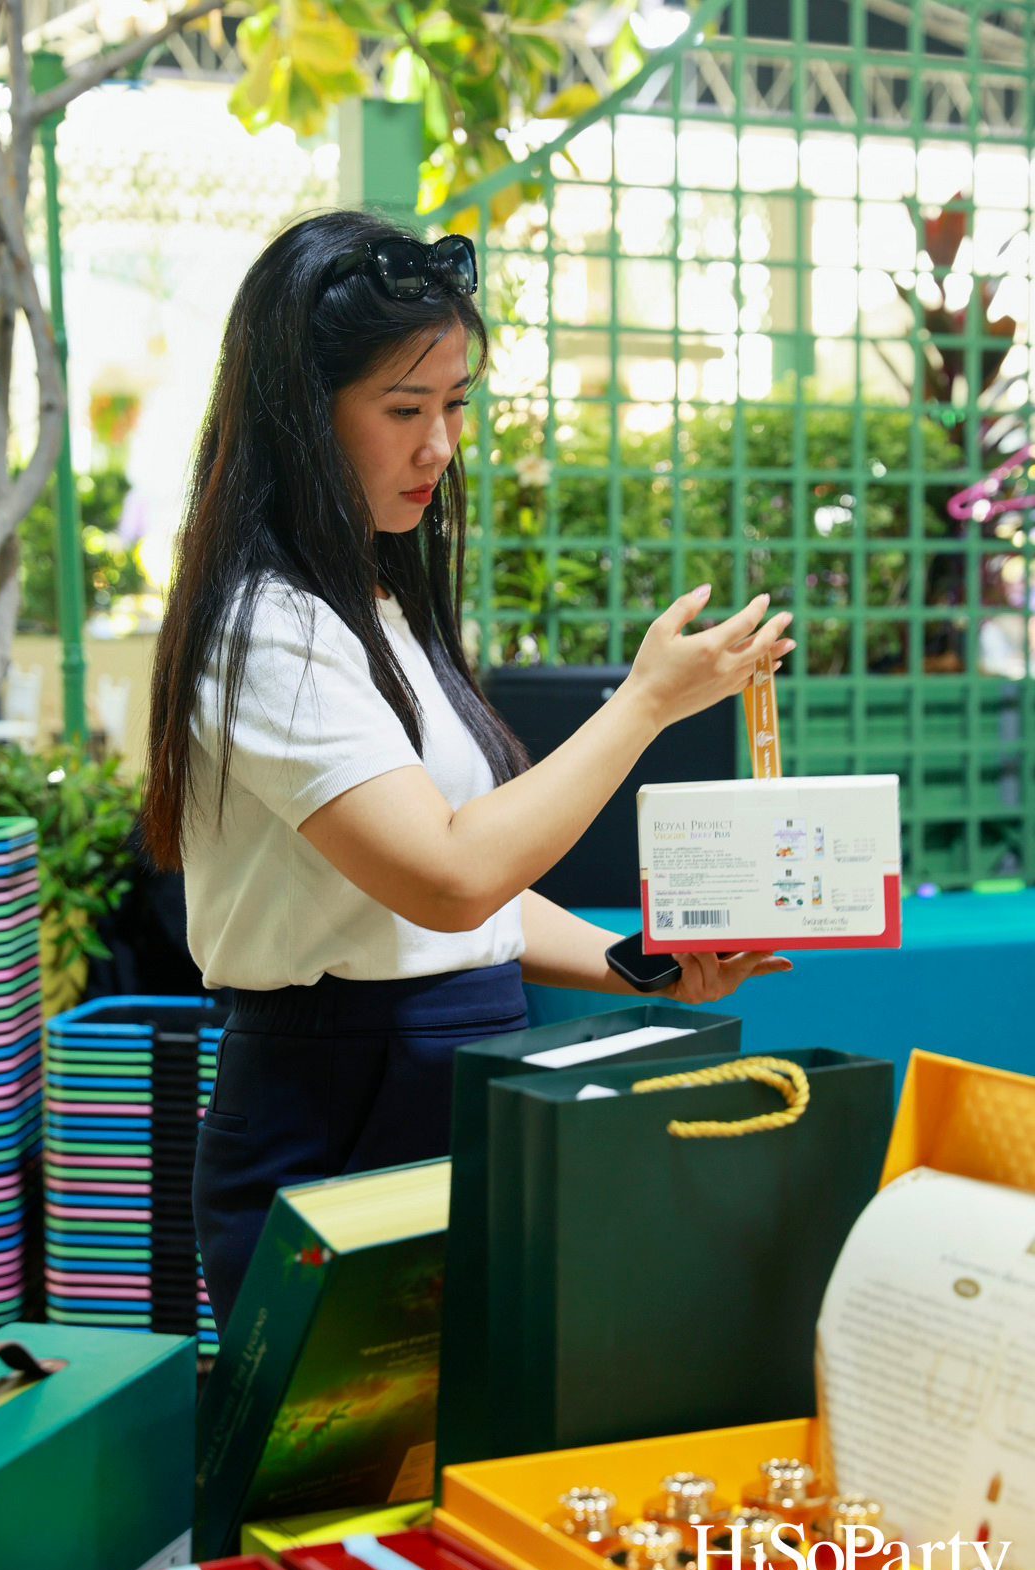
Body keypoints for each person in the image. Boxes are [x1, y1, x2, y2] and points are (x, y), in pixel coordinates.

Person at [142, 210, 796, 1330]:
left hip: (460, 1063)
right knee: (336, 1480)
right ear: (303, 414)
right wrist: (642, 705)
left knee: (466, 1458)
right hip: (337, 1101)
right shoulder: (265, 627)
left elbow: (471, 898)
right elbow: (445, 877)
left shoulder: (385, 606)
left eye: (453, 406)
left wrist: (643, 966)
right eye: (405, 409)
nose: (439, 446)